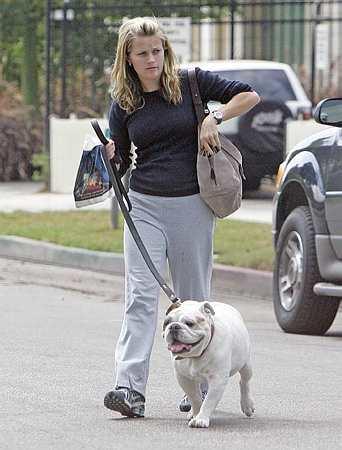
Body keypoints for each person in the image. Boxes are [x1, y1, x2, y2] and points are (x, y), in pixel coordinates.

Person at [103, 17, 260, 418]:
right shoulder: (124, 102)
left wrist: (215, 117)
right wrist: (108, 155)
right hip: (144, 206)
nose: (152, 58)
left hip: (192, 203)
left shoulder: (191, 82)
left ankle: (202, 383)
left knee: (194, 297)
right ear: (129, 58)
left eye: (157, 50)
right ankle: (129, 388)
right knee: (140, 297)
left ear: (165, 51)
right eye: (143, 53)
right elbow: (120, 156)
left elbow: (249, 96)